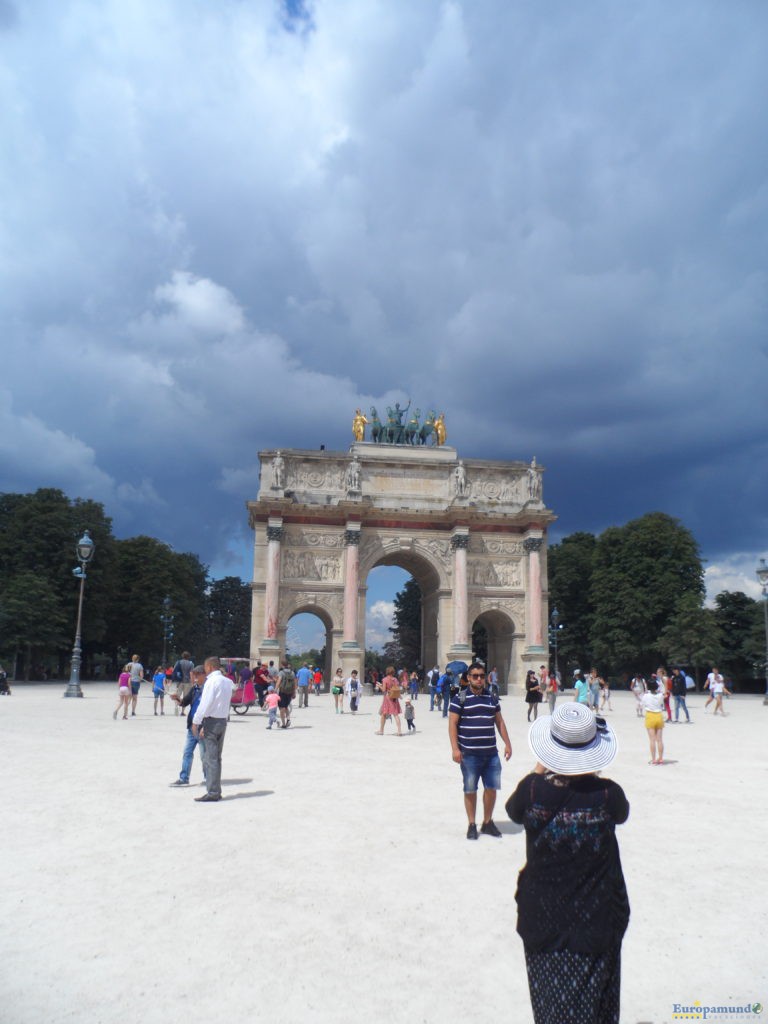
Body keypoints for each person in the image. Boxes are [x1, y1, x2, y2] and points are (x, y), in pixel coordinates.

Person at [506, 703, 629, 1024]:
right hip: (597, 919)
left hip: (542, 920)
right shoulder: (608, 795)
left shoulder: (531, 791)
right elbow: (622, 814)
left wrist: (540, 767)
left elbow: (512, 811)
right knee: (598, 1006)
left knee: (549, 1007)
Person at [448, 662, 512, 839]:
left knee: (491, 788)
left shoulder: (491, 697)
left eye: (481, 676)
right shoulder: (459, 698)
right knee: (470, 789)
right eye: (475, 675)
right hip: (469, 754)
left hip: (491, 753)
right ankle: (471, 824)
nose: (478, 679)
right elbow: (452, 723)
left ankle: (487, 822)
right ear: (468, 678)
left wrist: (507, 743)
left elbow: (499, 721)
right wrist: (455, 748)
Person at [191, 657, 234, 802]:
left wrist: (196, 721)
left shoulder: (211, 681)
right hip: (222, 720)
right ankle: (216, 789)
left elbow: (205, 704)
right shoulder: (228, 682)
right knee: (217, 758)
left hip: (211, 722)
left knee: (210, 758)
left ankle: (213, 792)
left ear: (209, 666)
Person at [169, 665, 207, 786]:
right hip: (192, 727)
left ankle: (208, 778)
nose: (194, 677)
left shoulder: (208, 690)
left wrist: (206, 726)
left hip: (203, 728)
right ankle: (184, 778)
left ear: (204, 675)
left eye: (197, 674)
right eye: (193, 674)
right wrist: (177, 699)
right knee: (187, 753)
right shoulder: (194, 688)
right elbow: (184, 703)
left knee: (204, 756)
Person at [642, 678, 666, 765]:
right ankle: (661, 758)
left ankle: (653, 759)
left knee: (652, 740)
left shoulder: (646, 695)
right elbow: (661, 702)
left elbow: (643, 704)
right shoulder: (660, 695)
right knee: (659, 740)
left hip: (650, 715)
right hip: (659, 715)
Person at [376, 666, 403, 736]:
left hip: (387, 698)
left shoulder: (385, 679)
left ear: (387, 672)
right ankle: (399, 731)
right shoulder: (395, 679)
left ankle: (381, 730)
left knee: (384, 714)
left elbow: (384, 690)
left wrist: (379, 686)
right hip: (394, 697)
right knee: (395, 714)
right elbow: (395, 688)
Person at [277, 662, 296, 728]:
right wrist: (294, 692)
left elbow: (279, 681)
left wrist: (275, 689)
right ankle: (288, 719)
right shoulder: (292, 673)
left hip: (282, 692)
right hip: (289, 692)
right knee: (286, 706)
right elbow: (294, 683)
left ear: (283, 665)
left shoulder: (281, 672)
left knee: (281, 708)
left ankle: (283, 724)